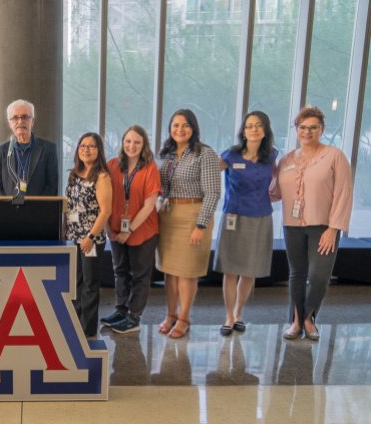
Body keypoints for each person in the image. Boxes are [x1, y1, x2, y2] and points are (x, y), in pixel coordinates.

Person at [272, 106, 352, 341]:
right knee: (297, 274)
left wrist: (333, 228)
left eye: (313, 128)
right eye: (302, 127)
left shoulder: (335, 156)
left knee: (319, 276)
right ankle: (297, 322)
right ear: (297, 130)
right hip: (292, 225)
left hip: (323, 227)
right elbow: (275, 192)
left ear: (322, 129)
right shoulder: (287, 159)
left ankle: (308, 317)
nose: (307, 132)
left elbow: (343, 193)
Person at [156, 109, 220, 338]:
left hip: (193, 214)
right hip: (168, 214)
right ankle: (170, 315)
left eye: (185, 125)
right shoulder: (166, 154)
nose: (180, 130)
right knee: (170, 272)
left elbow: (213, 192)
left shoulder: (204, 153)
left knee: (187, 272)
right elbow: (159, 186)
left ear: (193, 128)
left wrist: (201, 225)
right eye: (175, 125)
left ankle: (184, 318)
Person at [213, 111, 278, 336]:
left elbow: (281, 180)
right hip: (234, 217)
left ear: (265, 130)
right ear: (243, 130)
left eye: (258, 125)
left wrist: (279, 193)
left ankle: (239, 314)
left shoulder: (271, 156)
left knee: (249, 271)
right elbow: (209, 172)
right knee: (230, 270)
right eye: (249, 126)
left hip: (260, 217)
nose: (254, 129)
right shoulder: (231, 154)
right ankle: (229, 316)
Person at [101, 125, 160, 334]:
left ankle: (134, 318)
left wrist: (130, 230)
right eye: (128, 141)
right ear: (122, 142)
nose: (131, 146)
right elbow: (105, 199)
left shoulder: (150, 168)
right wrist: (108, 226)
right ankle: (121, 310)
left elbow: (149, 205)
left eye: (137, 142)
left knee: (140, 275)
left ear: (144, 145)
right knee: (120, 271)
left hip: (143, 231)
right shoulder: (112, 165)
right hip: (116, 229)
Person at [66, 132, 112, 338]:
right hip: (74, 238)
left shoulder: (101, 176)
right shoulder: (74, 173)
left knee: (90, 284)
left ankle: (88, 329)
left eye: (91, 146)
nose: (86, 149)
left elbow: (106, 211)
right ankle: (75, 323)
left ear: (99, 150)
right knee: (75, 282)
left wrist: (90, 237)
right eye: (82, 145)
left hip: (91, 240)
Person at [0, 99, 59, 196]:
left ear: (32, 121)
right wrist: (8, 209)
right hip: (8, 210)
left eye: (24, 117)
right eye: (15, 117)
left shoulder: (49, 149)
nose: (20, 121)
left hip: (39, 209)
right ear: (9, 123)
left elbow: (52, 188)